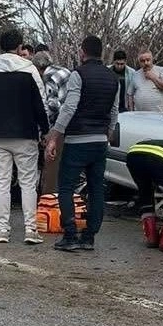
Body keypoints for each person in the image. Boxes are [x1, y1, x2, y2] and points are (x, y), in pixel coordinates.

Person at [45, 35, 119, 252]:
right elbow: (114, 110)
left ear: (82, 52)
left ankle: (70, 235)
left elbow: (69, 107)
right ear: (101, 52)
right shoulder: (113, 77)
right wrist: (108, 133)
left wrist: (54, 135)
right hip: (99, 142)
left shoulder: (78, 74)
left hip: (77, 140)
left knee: (66, 186)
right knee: (96, 189)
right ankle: (89, 237)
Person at [0, 29, 50, 245]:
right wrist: (45, 131)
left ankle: (2, 230)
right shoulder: (29, 70)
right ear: (19, 47)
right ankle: (30, 229)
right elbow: (41, 104)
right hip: (26, 135)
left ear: (0, 46)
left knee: (1, 182)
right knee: (28, 183)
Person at [32, 48, 72, 193]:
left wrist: (45, 132)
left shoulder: (48, 77)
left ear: (38, 67)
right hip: (73, 125)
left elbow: (52, 106)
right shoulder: (65, 71)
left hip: (59, 127)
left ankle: (48, 200)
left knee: (51, 168)